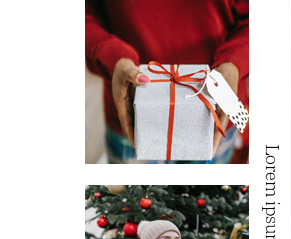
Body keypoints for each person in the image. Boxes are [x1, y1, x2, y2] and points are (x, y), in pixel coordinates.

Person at [85, 0, 249, 164]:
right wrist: (112, 55)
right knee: (130, 190)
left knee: (213, 190)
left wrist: (234, 61)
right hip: (132, 113)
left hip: (215, 110)